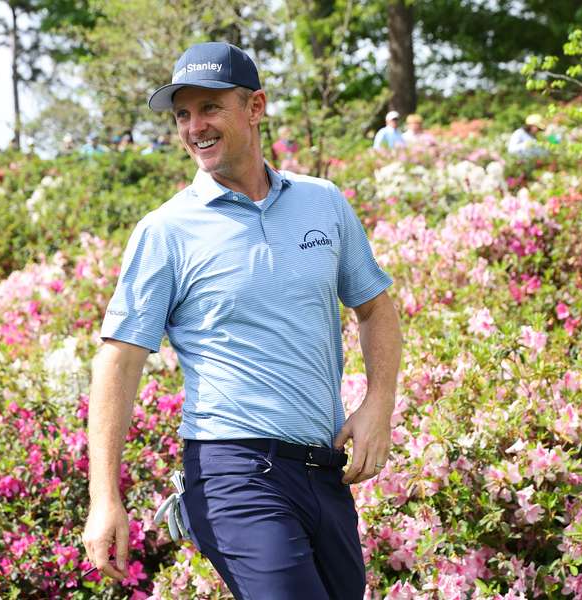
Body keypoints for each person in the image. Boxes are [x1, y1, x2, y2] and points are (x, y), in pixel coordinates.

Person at [82, 41, 402, 600]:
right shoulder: (166, 231)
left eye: (209, 108)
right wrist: (103, 496)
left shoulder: (323, 202)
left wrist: (379, 402)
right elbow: (119, 360)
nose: (194, 127)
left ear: (255, 107)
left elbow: (375, 308)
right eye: (183, 114)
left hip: (324, 471)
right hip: (233, 472)